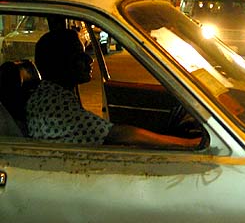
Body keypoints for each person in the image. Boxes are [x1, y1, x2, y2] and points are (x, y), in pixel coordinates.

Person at [26, 28, 201, 148]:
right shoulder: (55, 105)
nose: (89, 60)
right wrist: (188, 144)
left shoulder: (53, 94)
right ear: (60, 63)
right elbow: (118, 134)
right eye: (79, 55)